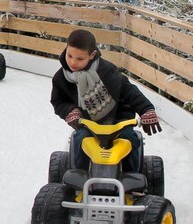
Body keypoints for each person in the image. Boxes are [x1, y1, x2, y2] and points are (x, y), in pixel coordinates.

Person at [50, 28, 161, 172]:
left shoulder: (107, 71)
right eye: (70, 55)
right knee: (80, 139)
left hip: (117, 121)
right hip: (88, 124)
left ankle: (132, 178)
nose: (73, 62)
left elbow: (128, 90)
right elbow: (58, 102)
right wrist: (70, 111)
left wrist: (146, 110)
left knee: (130, 139)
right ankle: (78, 177)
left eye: (80, 58)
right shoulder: (61, 78)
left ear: (92, 55)